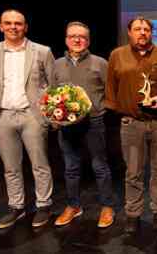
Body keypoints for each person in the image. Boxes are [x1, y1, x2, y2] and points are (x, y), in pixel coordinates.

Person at [105, 16, 157, 234]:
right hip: (131, 123)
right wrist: (117, 111)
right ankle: (133, 214)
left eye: (146, 29)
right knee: (133, 172)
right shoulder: (117, 55)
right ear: (129, 32)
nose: (142, 33)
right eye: (137, 29)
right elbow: (111, 86)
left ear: (151, 33)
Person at [0, 9, 55, 229]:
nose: (13, 27)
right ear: (1, 26)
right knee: (10, 167)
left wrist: (45, 114)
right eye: (8, 23)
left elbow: (51, 85)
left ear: (25, 27)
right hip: (3, 115)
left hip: (32, 115)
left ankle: (44, 205)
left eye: (18, 23)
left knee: (40, 165)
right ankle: (17, 206)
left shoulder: (42, 51)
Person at [52, 22, 114, 228]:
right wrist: (55, 118)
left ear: (88, 40)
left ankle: (107, 207)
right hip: (66, 125)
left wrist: (98, 108)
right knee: (71, 168)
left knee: (100, 166)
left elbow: (110, 93)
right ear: (66, 39)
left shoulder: (100, 63)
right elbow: (52, 94)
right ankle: (73, 206)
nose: (77, 40)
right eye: (72, 36)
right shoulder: (57, 64)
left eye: (82, 37)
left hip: (93, 123)